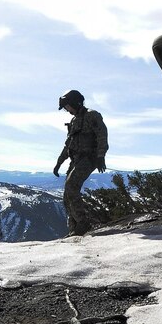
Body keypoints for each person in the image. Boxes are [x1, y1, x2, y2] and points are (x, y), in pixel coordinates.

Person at [52, 89, 108, 236]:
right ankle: (74, 228)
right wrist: (59, 163)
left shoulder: (91, 115)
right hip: (76, 160)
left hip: (88, 158)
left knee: (71, 186)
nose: (67, 110)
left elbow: (102, 134)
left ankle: (83, 223)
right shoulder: (74, 120)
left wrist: (100, 156)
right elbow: (68, 144)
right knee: (67, 196)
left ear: (74, 103)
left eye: (67, 107)